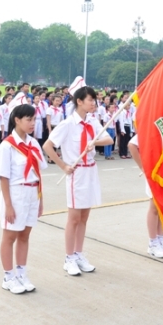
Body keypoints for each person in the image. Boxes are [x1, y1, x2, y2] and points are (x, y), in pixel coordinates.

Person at [43, 86, 113, 276]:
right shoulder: (67, 124)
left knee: (84, 217)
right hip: (76, 174)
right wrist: (63, 166)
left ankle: (79, 254)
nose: (93, 103)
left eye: (94, 100)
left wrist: (94, 143)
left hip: (91, 172)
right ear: (79, 101)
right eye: (90, 100)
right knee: (74, 218)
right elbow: (48, 146)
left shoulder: (93, 122)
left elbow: (109, 140)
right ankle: (69, 257)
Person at [0, 103, 48, 294]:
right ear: (17, 120)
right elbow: (3, 177)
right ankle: (8, 276)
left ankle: (21, 273)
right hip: (15, 193)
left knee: (25, 235)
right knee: (10, 236)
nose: (33, 123)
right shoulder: (7, 146)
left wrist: (40, 200)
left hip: (32, 193)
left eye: (34, 119)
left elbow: (38, 173)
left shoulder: (33, 143)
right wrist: (8, 205)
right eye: (29, 119)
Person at [128, 134, 163, 258]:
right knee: (154, 207)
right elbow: (132, 144)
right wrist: (143, 166)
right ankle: (152, 243)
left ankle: (160, 239)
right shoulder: (150, 126)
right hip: (154, 171)